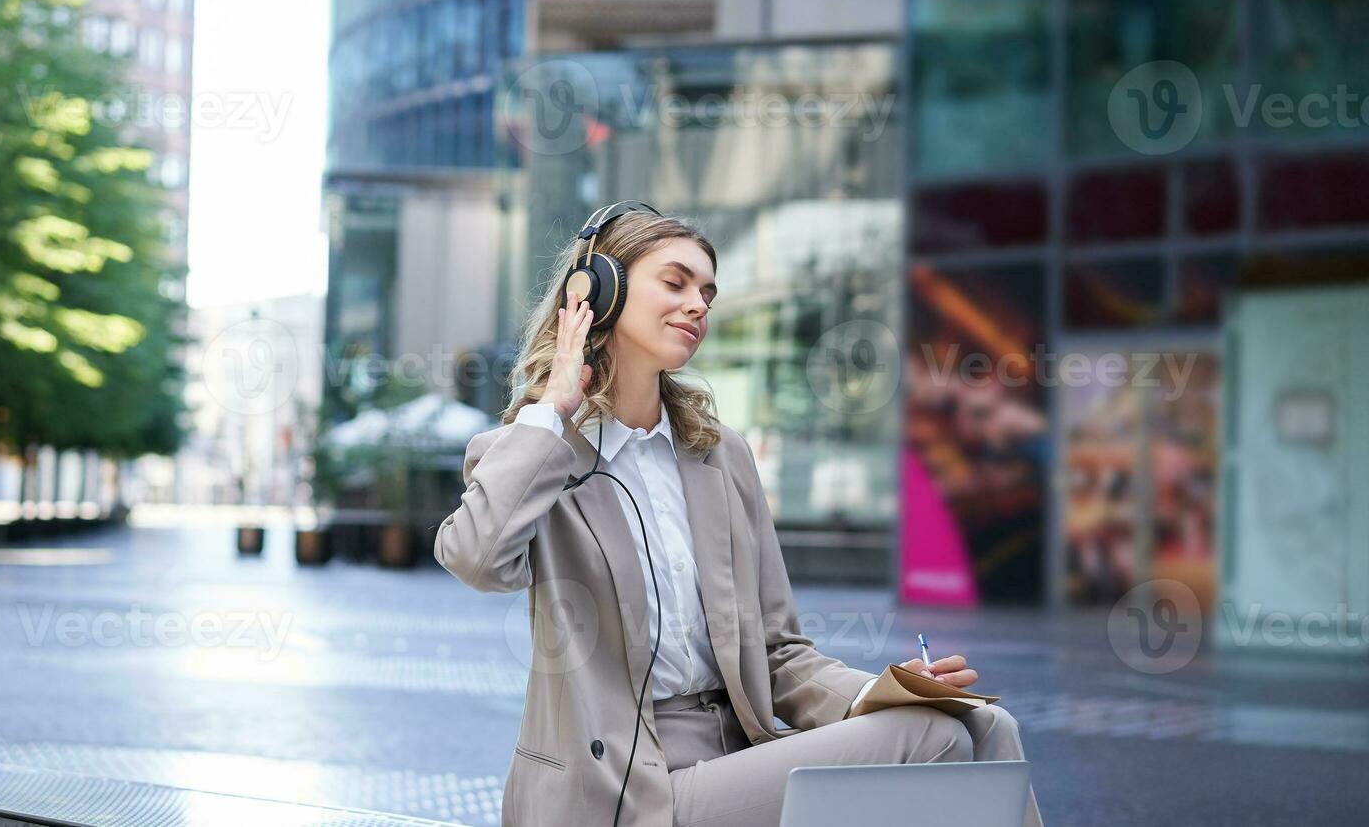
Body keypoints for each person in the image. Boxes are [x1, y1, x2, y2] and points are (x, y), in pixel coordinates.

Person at [435, 204, 1042, 827]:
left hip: (734, 757)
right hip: (617, 785)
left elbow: (779, 653)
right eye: (675, 283)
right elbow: (476, 559)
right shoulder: (535, 452)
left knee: (983, 725)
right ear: (599, 292)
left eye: (707, 292)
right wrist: (555, 409)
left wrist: (887, 691)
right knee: (928, 739)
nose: (698, 304)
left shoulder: (721, 457)